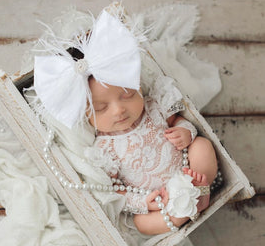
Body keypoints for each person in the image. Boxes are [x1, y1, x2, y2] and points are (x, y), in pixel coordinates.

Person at [86, 75, 218, 235]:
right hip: (161, 201)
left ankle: (200, 191)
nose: (118, 110)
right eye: (101, 107)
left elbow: (177, 120)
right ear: (86, 113)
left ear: (139, 87)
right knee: (142, 223)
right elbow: (116, 190)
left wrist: (185, 131)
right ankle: (185, 211)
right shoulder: (103, 148)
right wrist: (143, 203)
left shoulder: (153, 107)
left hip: (189, 173)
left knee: (201, 145)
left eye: (128, 95)